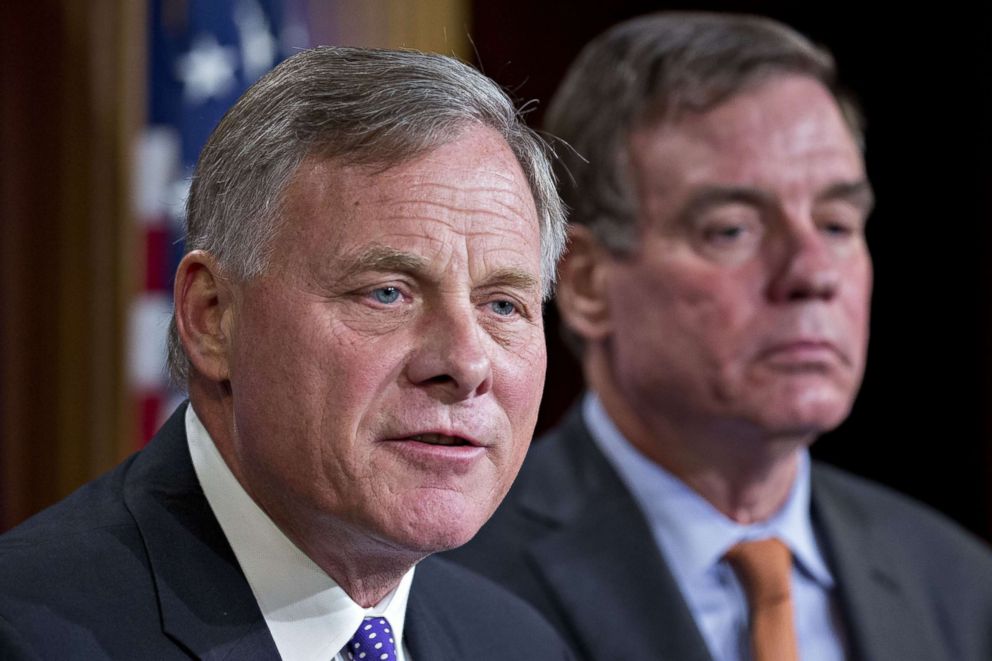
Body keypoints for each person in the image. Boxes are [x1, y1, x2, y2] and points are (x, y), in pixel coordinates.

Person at [446, 12, 992, 661]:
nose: (813, 274)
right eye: (732, 230)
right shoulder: (453, 573)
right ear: (588, 283)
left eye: (838, 224)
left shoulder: (956, 579)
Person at [0, 46, 574, 660]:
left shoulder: (517, 642)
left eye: (503, 306)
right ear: (212, 317)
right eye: (387, 293)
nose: (466, 364)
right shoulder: (30, 636)